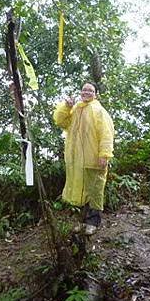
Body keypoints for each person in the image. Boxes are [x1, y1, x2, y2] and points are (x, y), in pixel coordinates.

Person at [53, 83, 115, 235]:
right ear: (81, 92)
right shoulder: (76, 109)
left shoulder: (99, 111)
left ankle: (93, 222)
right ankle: (81, 222)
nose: (87, 92)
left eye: (91, 90)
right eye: (84, 89)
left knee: (95, 190)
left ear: (96, 94)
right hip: (77, 160)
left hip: (94, 158)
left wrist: (104, 154)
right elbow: (60, 121)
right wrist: (66, 107)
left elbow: (106, 134)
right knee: (80, 190)